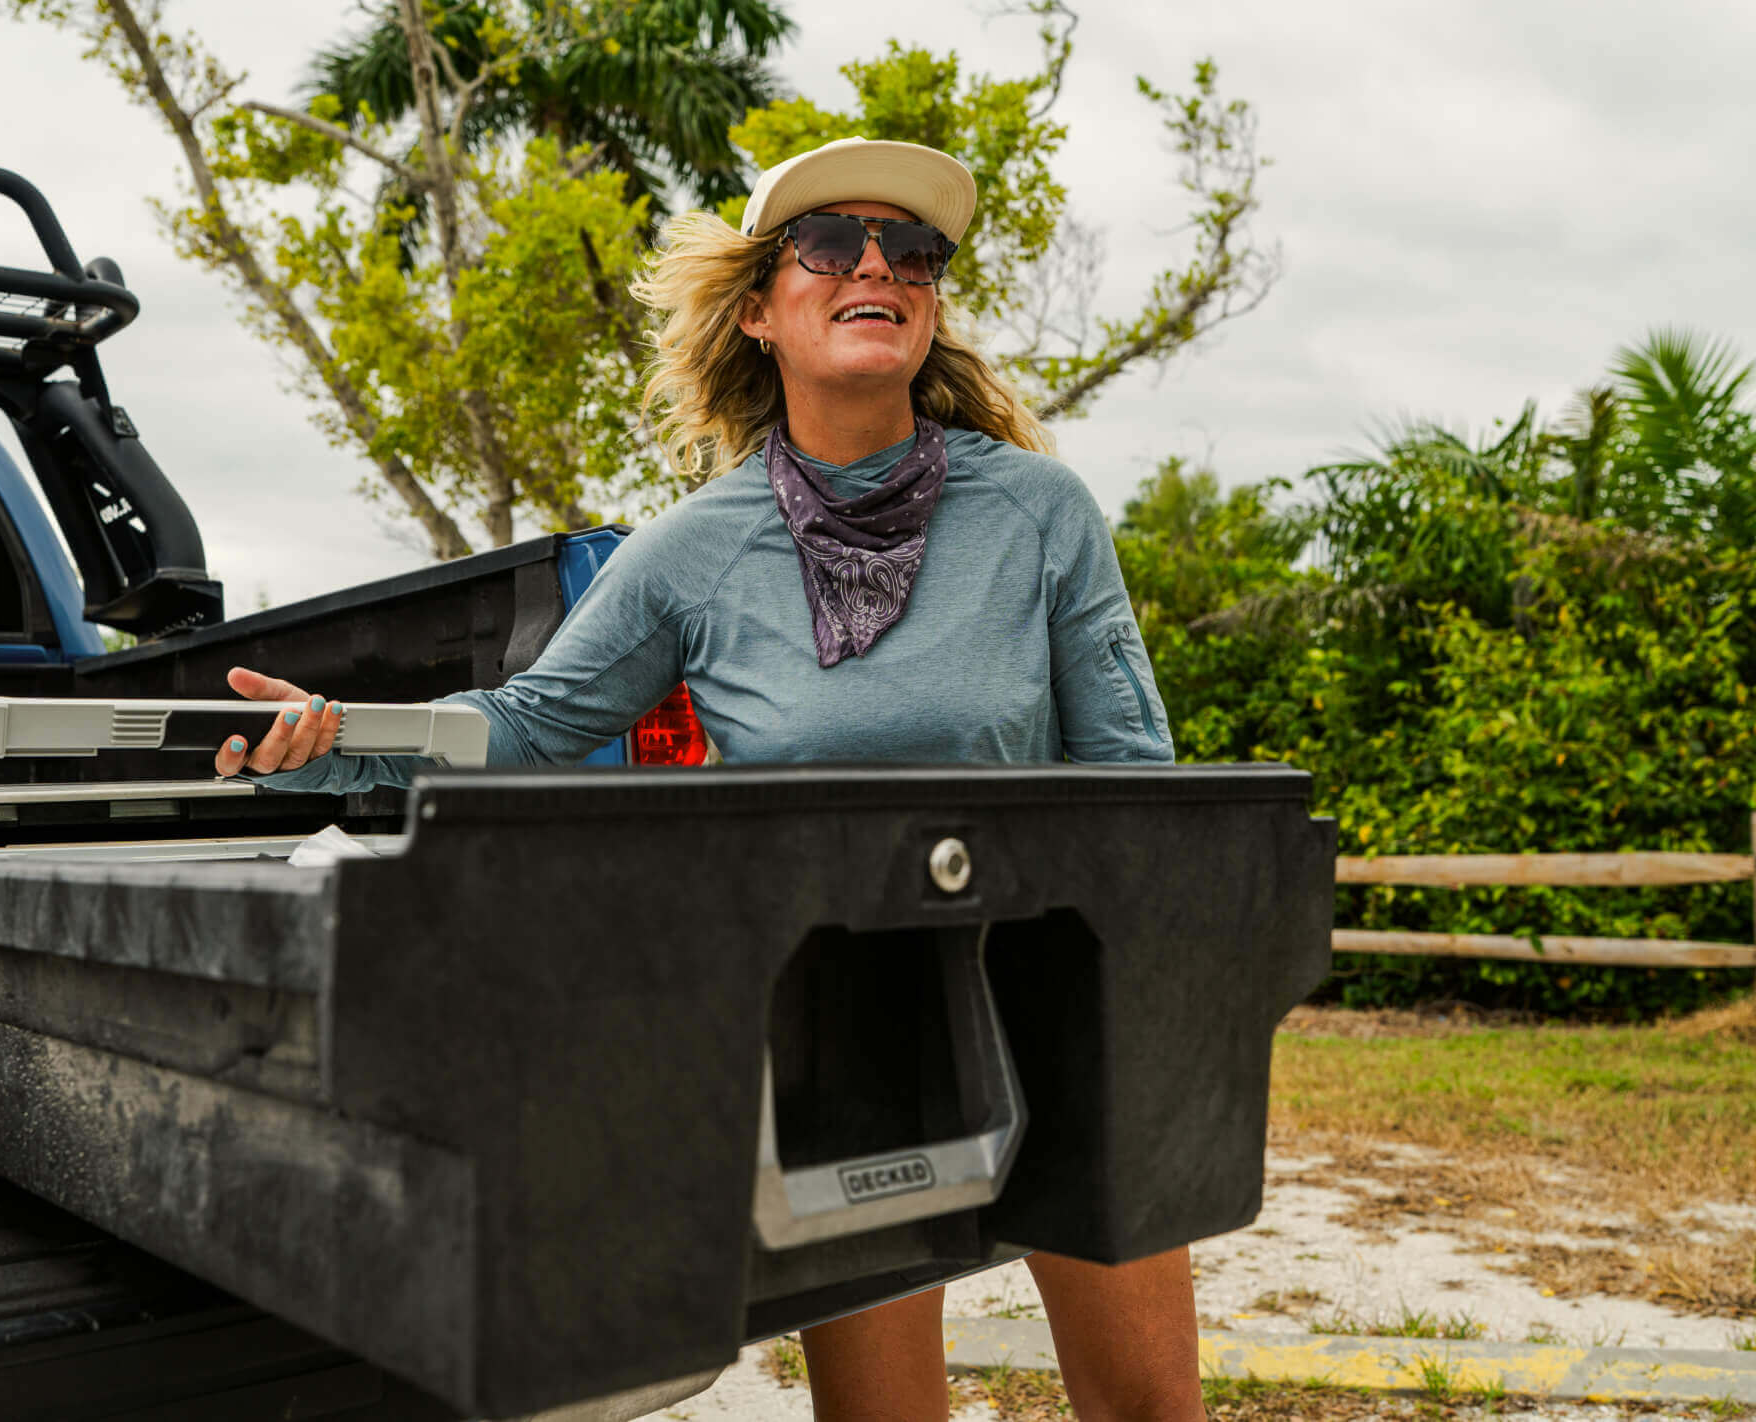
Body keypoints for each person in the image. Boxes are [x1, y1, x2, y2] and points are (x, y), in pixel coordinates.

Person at [211, 136, 1206, 1422]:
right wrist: (333, 741)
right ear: (757, 311)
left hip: (1057, 991)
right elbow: (528, 728)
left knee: (1150, 1413)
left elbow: (1134, 779)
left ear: (929, 300)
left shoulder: (1041, 513)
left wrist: (1170, 1011)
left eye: (912, 251)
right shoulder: (694, 548)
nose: (879, 267)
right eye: (832, 244)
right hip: (847, 1027)